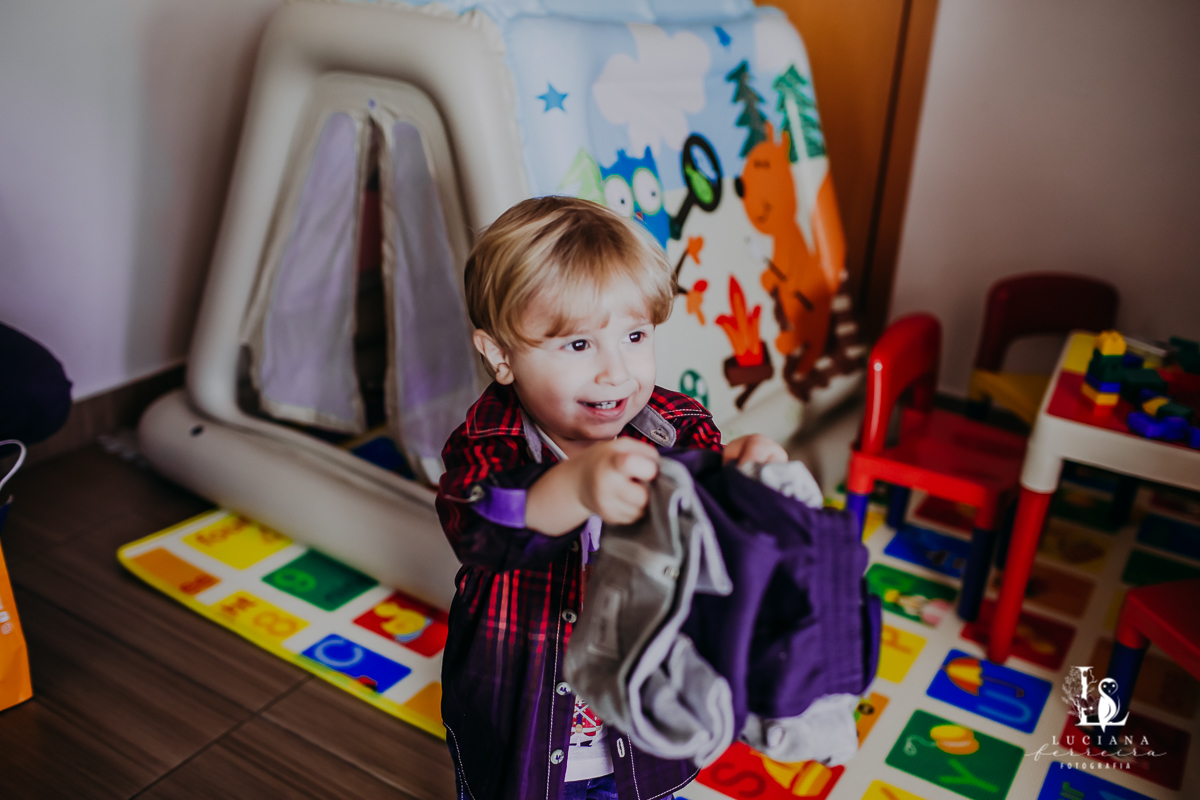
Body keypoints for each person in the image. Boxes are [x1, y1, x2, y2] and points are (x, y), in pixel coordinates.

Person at [436, 197, 787, 800]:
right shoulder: (486, 442)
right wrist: (575, 486)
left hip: (646, 741)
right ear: (500, 356)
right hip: (516, 741)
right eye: (578, 345)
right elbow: (479, 525)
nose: (616, 372)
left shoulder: (674, 425)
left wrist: (744, 473)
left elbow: (718, 523)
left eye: (634, 335)